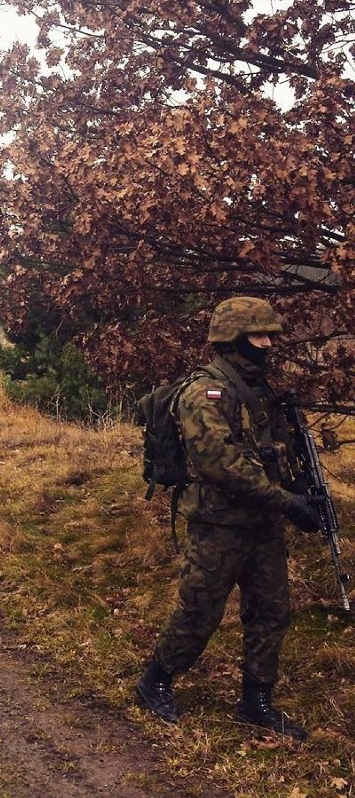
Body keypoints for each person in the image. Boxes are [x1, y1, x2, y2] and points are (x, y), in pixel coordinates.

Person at [135, 296, 321, 741]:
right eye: (259, 336)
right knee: (199, 609)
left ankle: (256, 701)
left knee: (272, 612)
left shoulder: (262, 390)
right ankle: (154, 681)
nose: (268, 344)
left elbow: (273, 454)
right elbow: (221, 464)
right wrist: (286, 502)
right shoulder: (205, 393)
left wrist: (301, 491)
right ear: (234, 339)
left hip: (262, 524)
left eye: (269, 335)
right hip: (219, 523)